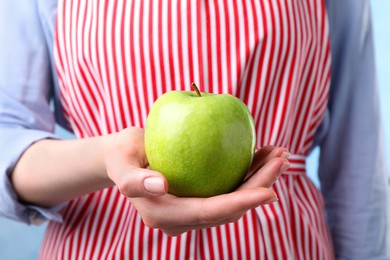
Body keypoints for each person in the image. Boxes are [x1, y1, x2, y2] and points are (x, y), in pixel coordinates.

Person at [0, 0, 388, 259]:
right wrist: (106, 159)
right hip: (103, 243)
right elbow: (8, 139)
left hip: (283, 243)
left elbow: (358, 170)